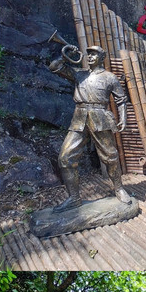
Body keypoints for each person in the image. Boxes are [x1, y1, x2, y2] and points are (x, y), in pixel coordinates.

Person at [49, 44, 130, 211]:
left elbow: (121, 100)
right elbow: (54, 67)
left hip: (100, 116)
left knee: (110, 156)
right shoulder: (79, 74)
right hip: (79, 118)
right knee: (65, 158)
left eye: (94, 54)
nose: (90, 57)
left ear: (102, 58)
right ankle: (74, 198)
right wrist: (65, 55)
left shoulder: (110, 77)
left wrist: (123, 118)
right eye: (89, 54)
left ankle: (119, 188)